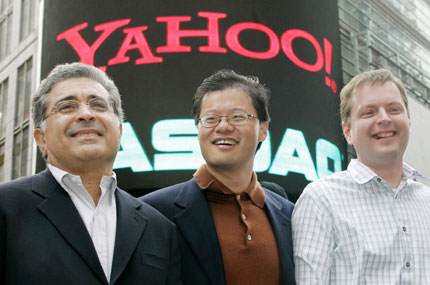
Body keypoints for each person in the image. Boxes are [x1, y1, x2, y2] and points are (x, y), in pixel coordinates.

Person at [0, 62, 181, 285]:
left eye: (98, 105)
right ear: (41, 138)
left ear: (120, 131)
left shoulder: (159, 228)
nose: (86, 114)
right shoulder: (7, 207)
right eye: (67, 107)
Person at [141, 69, 295, 285]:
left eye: (237, 117)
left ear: (263, 129)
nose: (223, 127)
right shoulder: (152, 213)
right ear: (198, 130)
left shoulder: (291, 215)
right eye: (211, 118)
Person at [292, 68, 430, 284]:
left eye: (394, 109)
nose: (384, 119)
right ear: (348, 132)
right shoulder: (320, 200)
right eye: (369, 112)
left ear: (408, 121)